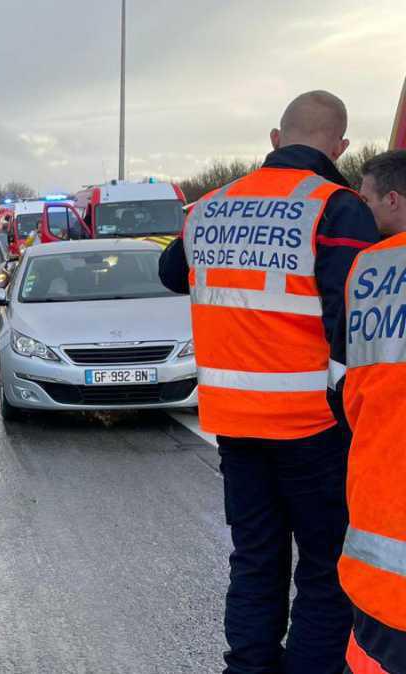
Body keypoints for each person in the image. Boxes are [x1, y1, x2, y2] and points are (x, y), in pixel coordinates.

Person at [159, 90, 381, 673]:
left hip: (232, 423)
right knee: (325, 566)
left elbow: (170, 272)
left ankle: (250, 667)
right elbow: (352, 320)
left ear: (275, 141)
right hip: (314, 426)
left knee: (256, 558)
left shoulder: (209, 207)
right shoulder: (338, 207)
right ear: (341, 147)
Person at [334, 150, 406, 673]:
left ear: (394, 199)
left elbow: (349, 391)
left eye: (367, 197)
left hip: (384, 520)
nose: (362, 207)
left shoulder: (372, 267)